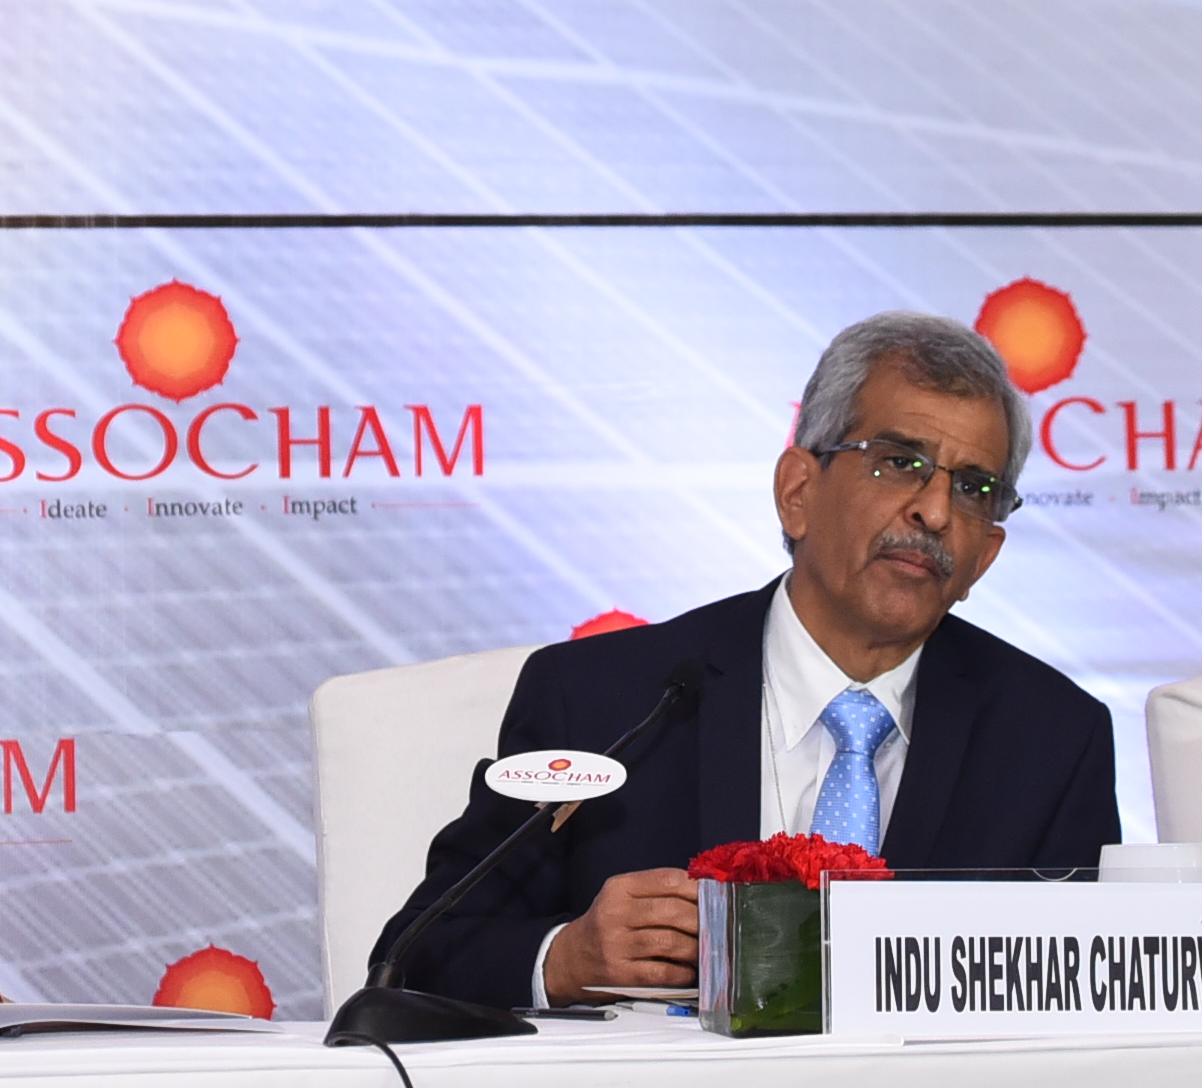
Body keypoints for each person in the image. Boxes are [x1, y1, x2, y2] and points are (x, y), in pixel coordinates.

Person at [373, 312, 1122, 1009]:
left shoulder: (1051, 740)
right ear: (798, 491)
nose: (934, 510)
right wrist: (563, 959)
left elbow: (1097, 999)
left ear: (986, 552)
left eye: (974, 488)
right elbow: (411, 957)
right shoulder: (604, 700)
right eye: (900, 462)